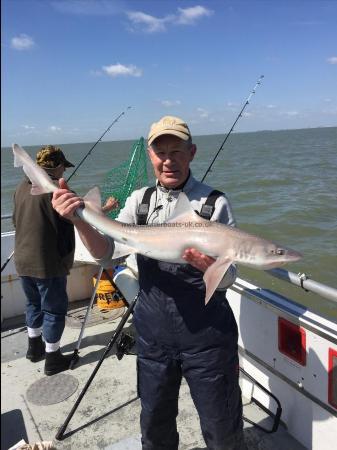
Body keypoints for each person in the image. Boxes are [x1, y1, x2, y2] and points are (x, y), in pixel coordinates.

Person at [51, 116, 246, 449]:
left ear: (192, 153)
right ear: (150, 154)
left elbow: (228, 278)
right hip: (154, 333)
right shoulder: (139, 202)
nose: (169, 160)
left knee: (222, 427)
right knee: (154, 425)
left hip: (208, 338)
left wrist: (208, 266)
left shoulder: (214, 203)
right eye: (160, 152)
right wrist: (79, 222)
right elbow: (107, 253)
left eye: (177, 151)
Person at [13, 145, 76, 376]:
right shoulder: (55, 191)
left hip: (22, 260)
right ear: (57, 166)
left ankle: (34, 348)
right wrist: (106, 208)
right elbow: (76, 218)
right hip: (47, 263)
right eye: (63, 168)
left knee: (33, 304)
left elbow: (15, 222)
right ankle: (53, 358)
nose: (64, 173)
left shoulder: (20, 187)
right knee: (54, 310)